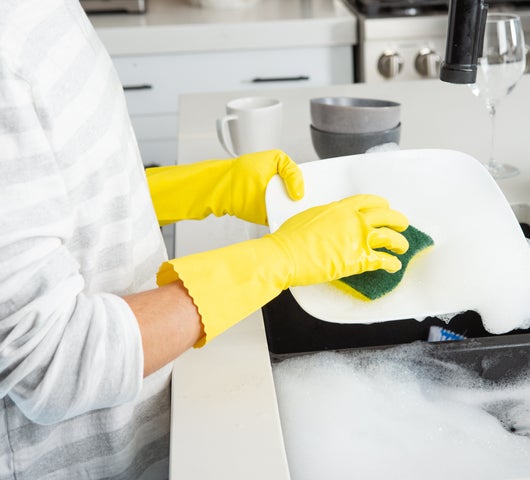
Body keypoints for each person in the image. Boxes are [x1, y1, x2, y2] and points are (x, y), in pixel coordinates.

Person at [0, 1, 409, 478]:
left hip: (145, 426)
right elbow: (53, 363)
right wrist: (275, 260)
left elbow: (59, 198)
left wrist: (203, 189)